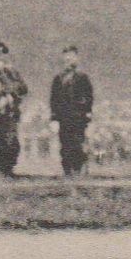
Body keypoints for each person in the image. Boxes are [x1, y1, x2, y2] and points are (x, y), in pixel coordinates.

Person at [48, 46, 94, 177]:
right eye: (66, 57)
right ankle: (67, 170)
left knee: (78, 142)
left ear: (77, 58)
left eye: (71, 57)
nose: (69, 60)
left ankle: (78, 169)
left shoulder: (83, 77)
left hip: (78, 116)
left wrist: (88, 113)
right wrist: (54, 118)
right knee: (65, 143)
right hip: (63, 117)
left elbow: (89, 97)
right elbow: (54, 100)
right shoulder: (58, 78)